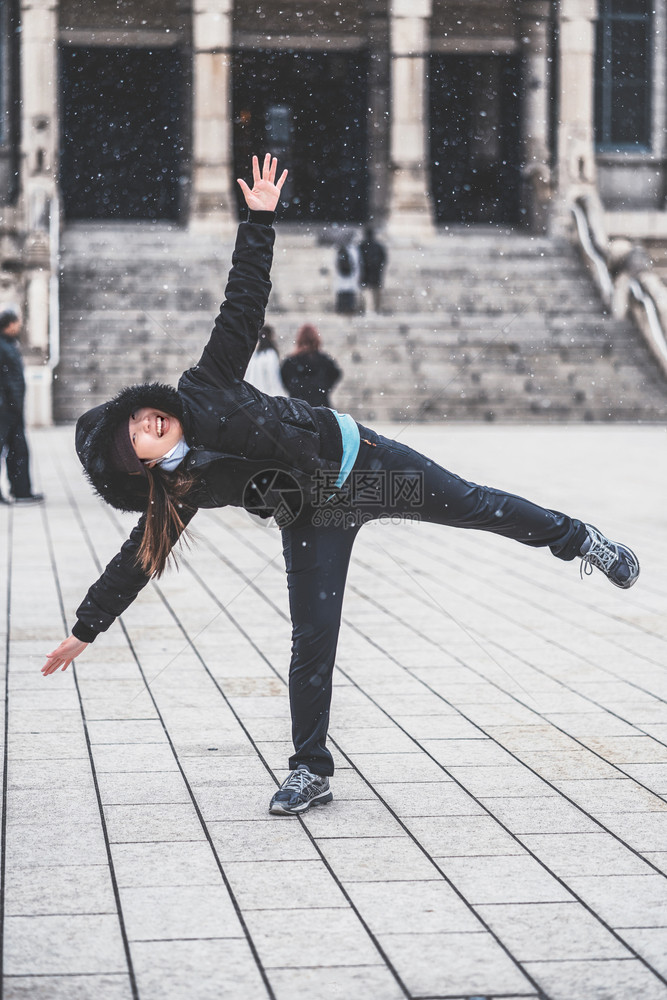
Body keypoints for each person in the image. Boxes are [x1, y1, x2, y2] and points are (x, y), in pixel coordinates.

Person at [41, 154, 639, 818]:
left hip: (371, 470)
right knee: (312, 636)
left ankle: (580, 541)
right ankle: (309, 769)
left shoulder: (202, 388)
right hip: (318, 514)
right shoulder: (179, 490)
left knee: (477, 506)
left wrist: (260, 219)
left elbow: (242, 304)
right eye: (136, 438)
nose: (146, 422)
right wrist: (86, 628)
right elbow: (137, 560)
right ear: (141, 466)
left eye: (137, 415)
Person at [0, 307, 44, 505]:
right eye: (16, 322)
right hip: (4, 408)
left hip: (13, 408)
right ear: (8, 325)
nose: (19, 325)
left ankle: (22, 491)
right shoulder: (2, 346)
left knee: (19, 449)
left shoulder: (9, 344)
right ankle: (20, 491)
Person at [280, 324, 341, 408]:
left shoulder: (290, 361)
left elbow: (284, 377)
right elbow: (336, 373)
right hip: (320, 404)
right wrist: (324, 387)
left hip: (297, 405)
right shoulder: (324, 360)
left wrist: (295, 388)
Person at [244, 324, 285, 397]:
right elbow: (273, 378)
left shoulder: (253, 355)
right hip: (267, 396)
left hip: (253, 396)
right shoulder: (270, 354)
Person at [359, 226, 387, 314]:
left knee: (369, 292)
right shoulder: (378, 246)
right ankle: (376, 309)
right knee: (376, 291)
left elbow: (359, 259)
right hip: (375, 272)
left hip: (367, 272)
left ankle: (370, 309)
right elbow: (384, 258)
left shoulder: (362, 246)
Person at [334, 239, 360, 314]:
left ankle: (342, 308)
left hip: (341, 278)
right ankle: (349, 308)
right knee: (349, 293)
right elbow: (356, 264)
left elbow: (336, 265)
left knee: (342, 292)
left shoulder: (339, 251)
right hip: (350, 277)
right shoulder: (353, 250)